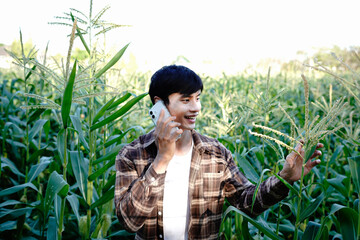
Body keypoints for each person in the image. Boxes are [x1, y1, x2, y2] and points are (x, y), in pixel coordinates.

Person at [114, 65, 323, 240]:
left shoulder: (215, 153)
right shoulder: (132, 155)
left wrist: (284, 178)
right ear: (158, 104)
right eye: (186, 100)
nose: (196, 107)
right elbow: (129, 222)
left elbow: (246, 202)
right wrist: (161, 161)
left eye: (197, 98)